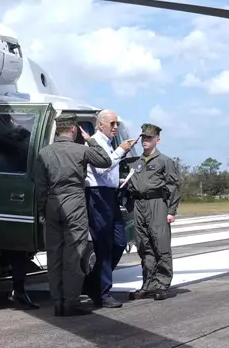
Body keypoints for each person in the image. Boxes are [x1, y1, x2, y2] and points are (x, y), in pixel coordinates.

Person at [34, 113, 112, 316]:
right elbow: (105, 160)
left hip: (52, 203)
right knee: (74, 254)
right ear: (74, 129)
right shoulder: (79, 150)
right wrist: (91, 140)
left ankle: (58, 302)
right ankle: (71, 302)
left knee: (54, 255)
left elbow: (40, 187)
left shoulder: (44, 153)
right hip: (74, 202)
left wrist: (43, 210)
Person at [82, 109, 138, 308]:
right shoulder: (94, 144)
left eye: (117, 124)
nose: (115, 127)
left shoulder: (107, 143)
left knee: (120, 242)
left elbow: (108, 173)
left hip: (110, 194)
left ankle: (92, 283)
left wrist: (119, 180)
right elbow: (102, 167)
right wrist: (121, 150)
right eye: (112, 124)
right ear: (101, 125)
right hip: (97, 195)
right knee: (104, 245)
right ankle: (103, 292)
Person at [125, 123, 181, 301]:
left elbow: (174, 186)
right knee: (144, 245)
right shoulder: (136, 162)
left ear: (157, 140)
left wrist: (171, 210)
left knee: (161, 244)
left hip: (157, 204)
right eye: (144, 138)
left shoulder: (165, 161)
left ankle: (162, 284)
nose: (146, 141)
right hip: (139, 205)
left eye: (149, 138)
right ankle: (148, 283)